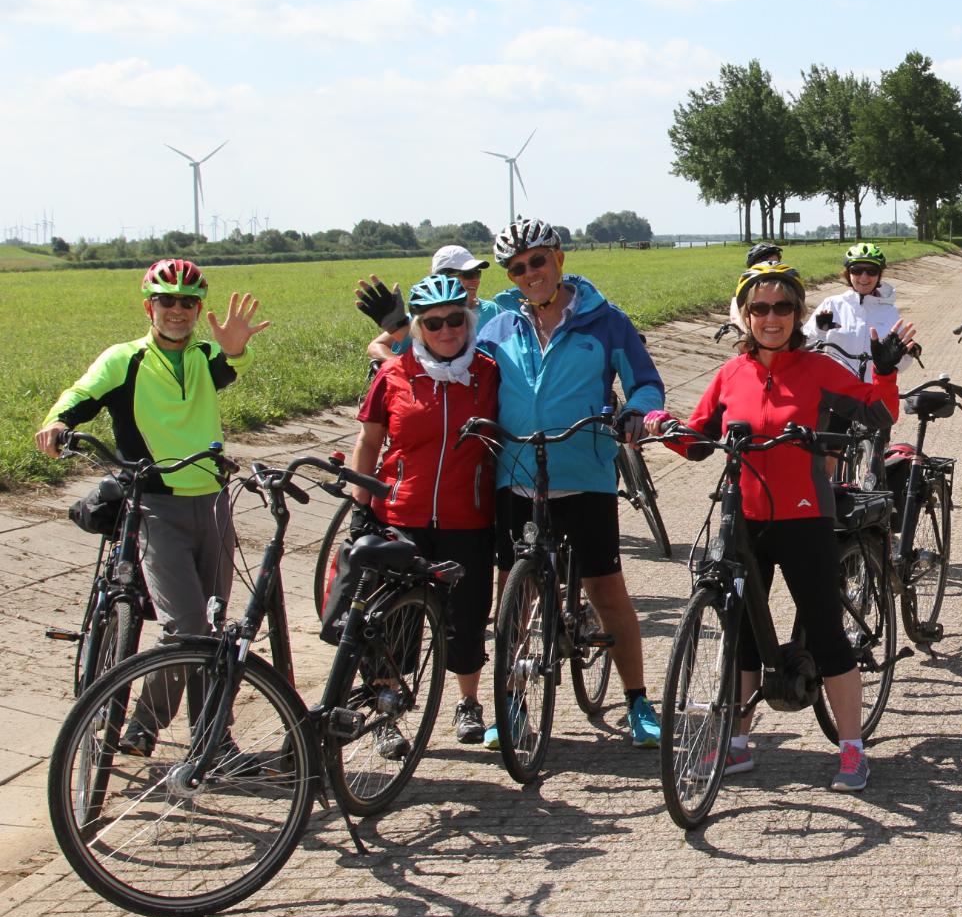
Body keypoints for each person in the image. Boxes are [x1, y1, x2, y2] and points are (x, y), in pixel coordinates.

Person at [650, 262, 914, 792]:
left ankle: (852, 750)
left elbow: (879, 418)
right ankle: (739, 746)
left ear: (797, 315)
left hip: (805, 517)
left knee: (825, 633)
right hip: (742, 518)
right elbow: (699, 441)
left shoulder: (817, 370)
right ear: (745, 316)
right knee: (745, 634)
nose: (771, 317)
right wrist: (660, 427)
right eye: (760, 308)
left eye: (783, 307)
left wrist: (884, 374)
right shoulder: (730, 375)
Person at [35, 259, 268, 753]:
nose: (177, 310)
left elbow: (230, 365)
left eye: (188, 302)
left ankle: (213, 740)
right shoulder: (125, 359)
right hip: (155, 508)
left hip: (212, 504)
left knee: (215, 631)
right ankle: (144, 724)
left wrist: (236, 347)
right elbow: (81, 395)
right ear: (150, 307)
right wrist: (57, 423)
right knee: (186, 628)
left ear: (198, 309)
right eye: (167, 301)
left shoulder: (207, 356)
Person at [478, 217, 667, 747]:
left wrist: (637, 414)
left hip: (584, 474)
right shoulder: (498, 327)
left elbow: (646, 382)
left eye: (537, 261)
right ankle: (511, 703)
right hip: (517, 476)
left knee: (606, 590)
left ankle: (637, 701)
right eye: (517, 268)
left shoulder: (606, 322)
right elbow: (454, 369)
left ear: (558, 257)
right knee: (511, 600)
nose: (529, 274)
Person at [347, 274, 501, 748]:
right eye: (433, 323)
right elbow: (369, 440)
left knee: (468, 615)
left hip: (468, 516)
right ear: (417, 327)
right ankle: (386, 714)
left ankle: (468, 704)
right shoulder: (394, 374)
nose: (446, 330)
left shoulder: (489, 372)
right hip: (401, 513)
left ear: (468, 320)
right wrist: (361, 509)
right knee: (391, 619)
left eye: (456, 319)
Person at [357, 244, 505, 366]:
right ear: (442, 278)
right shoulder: (423, 318)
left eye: (476, 273)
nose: (474, 280)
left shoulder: (493, 311)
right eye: (467, 275)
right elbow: (375, 346)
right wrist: (400, 368)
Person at [811, 243, 901, 382]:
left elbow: (899, 366)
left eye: (871, 271)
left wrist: (906, 354)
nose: (864, 278)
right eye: (857, 270)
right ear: (848, 273)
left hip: (874, 391)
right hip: (836, 392)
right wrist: (819, 331)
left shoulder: (890, 312)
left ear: (879, 275)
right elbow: (803, 348)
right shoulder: (831, 305)